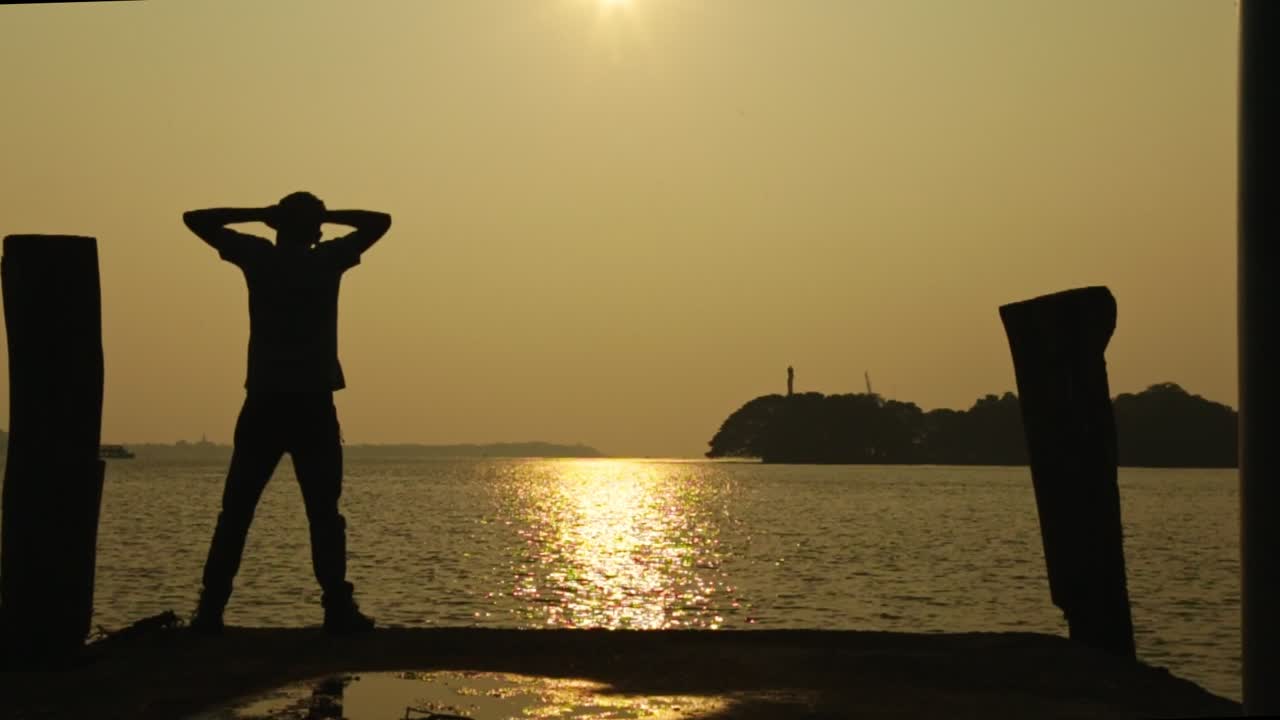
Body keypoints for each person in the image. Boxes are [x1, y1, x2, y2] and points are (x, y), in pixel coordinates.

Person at [182, 191, 391, 634]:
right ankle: (336, 609)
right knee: (322, 513)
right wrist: (320, 217)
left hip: (267, 400)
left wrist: (262, 215)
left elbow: (196, 219)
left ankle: (211, 611)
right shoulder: (325, 259)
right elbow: (379, 222)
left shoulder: (260, 256)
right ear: (314, 231)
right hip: (310, 402)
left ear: (278, 227)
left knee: (238, 512)